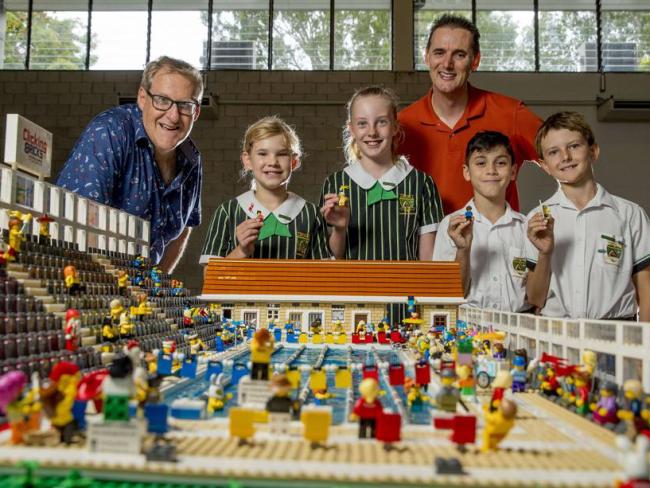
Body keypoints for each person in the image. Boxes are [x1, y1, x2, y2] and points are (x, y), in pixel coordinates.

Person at [56, 56, 203, 273]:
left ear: (196, 112)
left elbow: (184, 228)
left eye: (184, 105)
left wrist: (155, 288)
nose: (173, 116)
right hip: (90, 282)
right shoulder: (110, 132)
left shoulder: (192, 159)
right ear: (142, 98)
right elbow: (76, 221)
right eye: (162, 100)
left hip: (138, 295)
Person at [398, 14, 541, 214]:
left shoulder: (511, 113)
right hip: (427, 244)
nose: (447, 64)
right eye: (439, 52)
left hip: (498, 244)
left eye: (459, 55)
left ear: (475, 61)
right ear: (427, 56)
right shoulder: (402, 125)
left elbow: (565, 159)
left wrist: (566, 214)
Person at [525, 111, 650, 321]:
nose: (565, 157)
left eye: (574, 146)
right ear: (545, 165)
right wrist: (545, 254)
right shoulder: (536, 220)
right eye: (554, 152)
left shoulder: (630, 214)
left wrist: (646, 345)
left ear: (593, 151)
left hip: (617, 333)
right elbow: (535, 299)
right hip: (558, 333)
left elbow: (646, 290)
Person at [320, 85, 443, 261]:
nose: (372, 132)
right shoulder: (334, 183)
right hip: (351, 287)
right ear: (352, 129)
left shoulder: (421, 183)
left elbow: (428, 259)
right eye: (362, 123)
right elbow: (330, 260)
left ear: (394, 127)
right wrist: (340, 229)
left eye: (382, 122)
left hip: (405, 287)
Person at [200, 116, 329, 263]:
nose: (272, 162)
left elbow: (325, 276)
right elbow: (209, 277)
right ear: (247, 160)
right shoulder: (227, 212)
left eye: (281, 154)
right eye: (262, 154)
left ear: (294, 161)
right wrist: (241, 251)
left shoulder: (312, 214)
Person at [433, 131, 535, 312]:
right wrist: (463, 250)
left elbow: (535, 295)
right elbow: (448, 294)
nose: (491, 170)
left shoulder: (526, 227)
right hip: (468, 328)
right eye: (481, 163)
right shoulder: (451, 226)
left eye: (501, 163)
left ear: (513, 172)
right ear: (466, 172)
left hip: (518, 324)